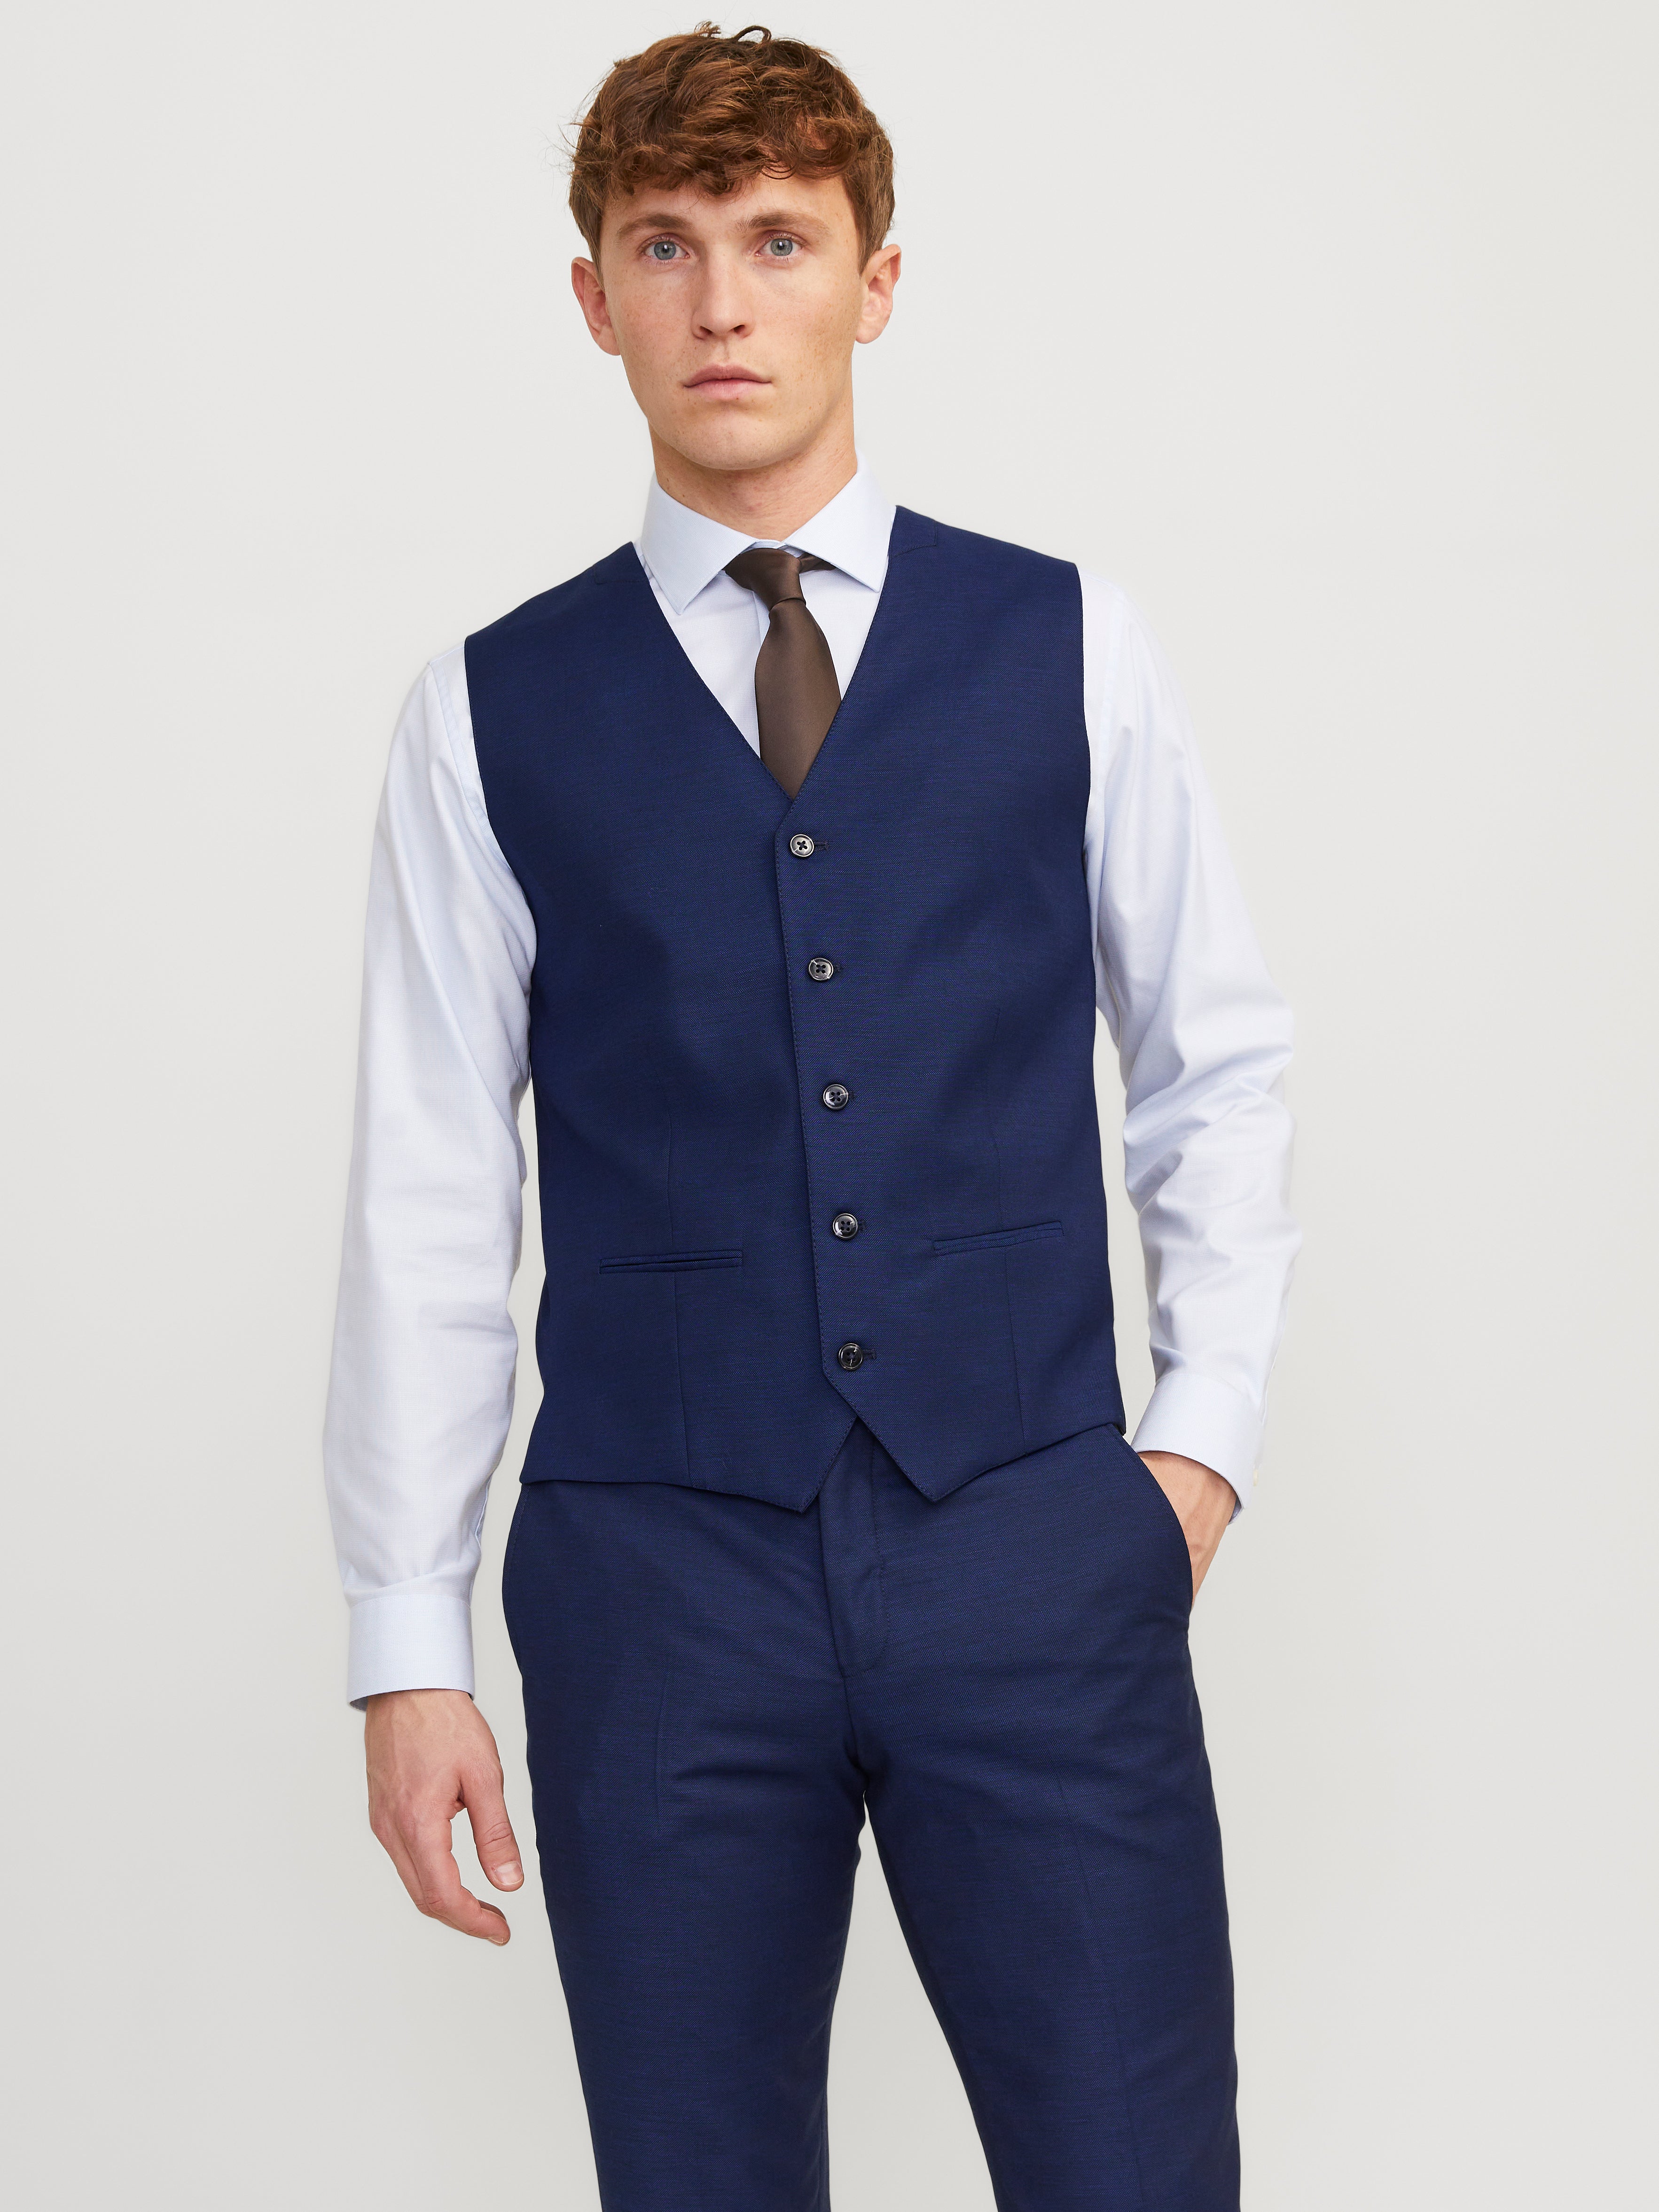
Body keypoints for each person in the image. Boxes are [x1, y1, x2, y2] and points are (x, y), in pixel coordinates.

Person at [324, 23, 1298, 2210]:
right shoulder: (484, 711)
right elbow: (429, 1187)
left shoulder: (1070, 642)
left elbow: (1213, 1061)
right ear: (595, 297)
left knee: (1134, 2176)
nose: (723, 300)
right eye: (664, 245)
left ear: (876, 280)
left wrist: (1193, 1455)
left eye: (778, 240)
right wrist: (407, 1641)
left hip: (1032, 1538)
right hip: (655, 1581)